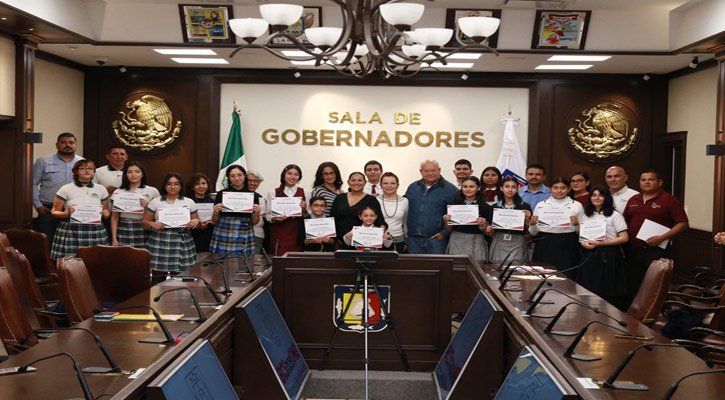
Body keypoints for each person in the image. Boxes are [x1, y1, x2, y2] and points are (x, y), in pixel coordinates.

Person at [623, 169, 688, 302]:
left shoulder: (669, 200)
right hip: (633, 251)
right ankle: (636, 316)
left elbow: (683, 223)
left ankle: (656, 316)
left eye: (651, 179)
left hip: (657, 251)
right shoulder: (633, 199)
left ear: (660, 182)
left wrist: (662, 237)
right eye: (643, 180)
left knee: (655, 288)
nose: (646, 182)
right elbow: (625, 222)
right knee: (635, 285)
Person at [578, 185, 629, 311]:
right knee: (590, 287)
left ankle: (608, 314)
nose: (597, 198)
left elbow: (624, 238)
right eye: (594, 195)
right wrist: (584, 243)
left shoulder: (615, 215)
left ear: (607, 198)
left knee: (608, 288)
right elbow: (582, 237)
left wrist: (601, 244)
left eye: (600, 195)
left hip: (609, 255)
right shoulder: (586, 215)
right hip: (590, 254)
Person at [49, 159, 110, 260]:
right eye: (82, 168)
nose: (87, 171)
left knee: (96, 260)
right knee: (70, 261)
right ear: (76, 171)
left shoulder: (101, 189)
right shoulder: (65, 189)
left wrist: (106, 213)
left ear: (94, 172)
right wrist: (67, 214)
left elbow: (106, 212)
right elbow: (54, 212)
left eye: (90, 169)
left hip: (94, 229)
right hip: (71, 229)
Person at [141, 173, 199, 273]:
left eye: (176, 184)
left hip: (182, 241)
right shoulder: (155, 201)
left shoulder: (189, 202)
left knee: (180, 278)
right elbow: (144, 222)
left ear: (181, 186)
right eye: (169, 184)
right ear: (164, 186)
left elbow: (197, 223)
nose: (173, 187)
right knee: (157, 276)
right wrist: (152, 224)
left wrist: (195, 221)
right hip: (160, 241)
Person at [32, 132, 84, 246]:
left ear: (76, 145)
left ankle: (67, 264)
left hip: (74, 211)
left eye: (71, 142)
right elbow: (32, 184)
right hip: (48, 211)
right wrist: (38, 206)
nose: (67, 145)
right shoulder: (43, 161)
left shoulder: (82, 163)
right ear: (57, 145)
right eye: (63, 142)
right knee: (46, 243)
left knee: (72, 244)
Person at [528, 177, 585, 277]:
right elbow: (533, 233)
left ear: (569, 189)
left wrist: (577, 225)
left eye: (563, 188)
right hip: (544, 243)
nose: (559, 191)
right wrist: (532, 224)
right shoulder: (541, 205)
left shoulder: (577, 205)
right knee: (542, 275)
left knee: (567, 275)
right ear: (550, 189)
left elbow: (582, 233)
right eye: (555, 188)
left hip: (567, 244)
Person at [404, 160, 458, 254]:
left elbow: (456, 214)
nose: (430, 173)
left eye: (433, 170)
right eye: (426, 171)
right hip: (414, 239)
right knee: (414, 267)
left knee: (436, 267)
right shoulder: (413, 187)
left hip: (437, 239)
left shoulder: (450, 189)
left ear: (439, 170)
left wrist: (444, 233)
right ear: (421, 172)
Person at [210, 165, 261, 255]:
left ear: (245, 176)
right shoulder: (221, 194)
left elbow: (255, 222)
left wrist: (257, 212)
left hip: (244, 230)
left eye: (239, 175)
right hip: (224, 230)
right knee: (222, 261)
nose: (236, 178)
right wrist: (215, 212)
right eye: (232, 176)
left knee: (243, 262)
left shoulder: (253, 195)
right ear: (228, 178)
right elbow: (214, 221)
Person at [109, 161, 159, 248]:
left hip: (145, 227)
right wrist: (114, 238)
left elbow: (159, 214)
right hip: (124, 227)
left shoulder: (152, 191)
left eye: (137, 171)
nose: (133, 175)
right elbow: (114, 217)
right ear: (125, 175)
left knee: (144, 257)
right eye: (129, 172)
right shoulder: (118, 192)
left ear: (142, 174)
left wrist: (148, 207)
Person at [443, 176, 493, 262]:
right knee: (456, 268)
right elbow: (448, 229)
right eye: (465, 186)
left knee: (476, 268)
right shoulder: (454, 205)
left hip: (476, 241)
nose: (468, 189)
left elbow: (489, 231)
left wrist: (483, 224)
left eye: (471, 186)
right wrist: (446, 220)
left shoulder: (485, 207)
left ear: (478, 188)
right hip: (457, 241)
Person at [331, 172, 386, 250]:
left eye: (360, 180)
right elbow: (332, 219)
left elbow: (380, 221)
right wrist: (334, 240)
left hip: (363, 245)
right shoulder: (339, 198)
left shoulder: (371, 200)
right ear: (348, 182)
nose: (356, 183)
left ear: (365, 182)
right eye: (353, 180)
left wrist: (381, 233)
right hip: (340, 242)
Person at [267, 164, 310, 256]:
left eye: (296, 174)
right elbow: (267, 215)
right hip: (279, 231)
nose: (292, 177)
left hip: (297, 232)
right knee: (278, 261)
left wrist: (304, 210)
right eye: (289, 173)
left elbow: (308, 216)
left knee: (295, 261)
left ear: (299, 177)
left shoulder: (305, 192)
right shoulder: (273, 192)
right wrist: (275, 219)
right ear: (284, 175)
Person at [489, 177, 532, 262]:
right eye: (507, 187)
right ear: (501, 188)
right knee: (496, 267)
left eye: (513, 187)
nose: (510, 190)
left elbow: (529, 229)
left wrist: (527, 220)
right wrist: (488, 228)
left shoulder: (524, 206)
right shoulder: (495, 207)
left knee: (516, 268)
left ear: (517, 189)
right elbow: (491, 230)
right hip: (499, 240)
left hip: (518, 241)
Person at [377, 172, 408, 252]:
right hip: (378, 240)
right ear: (380, 185)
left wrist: (406, 242)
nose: (389, 186)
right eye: (385, 183)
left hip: (398, 240)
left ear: (398, 185)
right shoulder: (375, 200)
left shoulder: (404, 201)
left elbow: (405, 223)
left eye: (393, 183)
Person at [186, 172, 215, 253]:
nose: (201, 186)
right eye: (197, 184)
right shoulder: (188, 202)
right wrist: (198, 225)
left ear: (207, 185)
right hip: (193, 235)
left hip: (209, 234)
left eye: (203, 183)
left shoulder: (212, 201)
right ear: (192, 187)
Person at [246, 170, 267, 254]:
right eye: (249, 180)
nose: (252, 183)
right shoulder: (238, 196)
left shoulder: (260, 198)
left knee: (255, 261)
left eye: (255, 181)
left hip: (258, 234)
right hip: (243, 234)